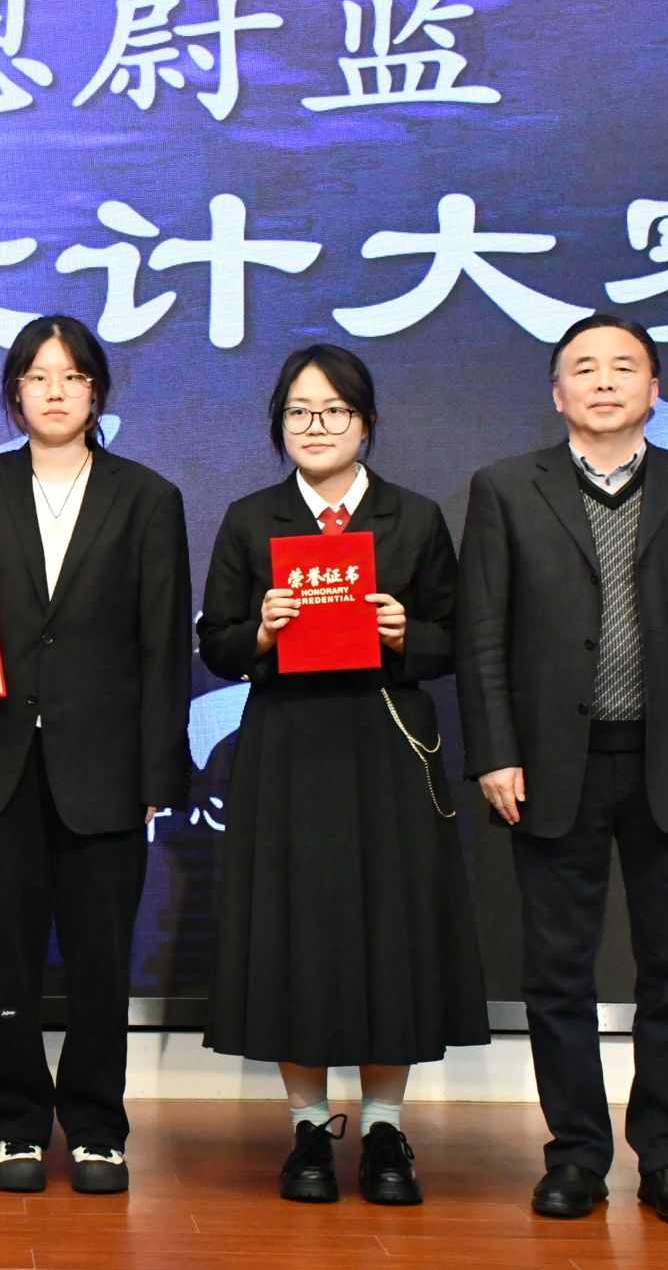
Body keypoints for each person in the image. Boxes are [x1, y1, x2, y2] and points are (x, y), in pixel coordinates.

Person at [456, 314, 668, 1229]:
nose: (603, 381)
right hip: (554, 766)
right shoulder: (505, 488)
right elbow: (482, 637)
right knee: (558, 973)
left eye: (623, 367)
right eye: (583, 368)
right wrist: (495, 749)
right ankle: (576, 1155)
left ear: (653, 390)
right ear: (557, 393)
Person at [197, 344, 489, 1206]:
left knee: (389, 927)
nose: (315, 426)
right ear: (279, 425)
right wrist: (261, 629)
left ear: (365, 422)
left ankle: (388, 1126)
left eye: (333, 410)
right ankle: (308, 1128)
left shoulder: (414, 516)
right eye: (298, 411)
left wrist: (406, 632)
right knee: (296, 928)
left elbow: (458, 637)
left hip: (386, 742)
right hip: (288, 745)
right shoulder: (252, 519)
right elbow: (216, 643)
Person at [0, 316, 190, 1195]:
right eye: (38, 376)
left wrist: (158, 771)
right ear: (14, 393)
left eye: (72, 375)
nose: (55, 390)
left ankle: (96, 1127)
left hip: (106, 768)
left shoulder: (147, 497)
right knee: (4, 957)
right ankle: (13, 1124)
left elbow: (164, 645)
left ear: (97, 393)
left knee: (98, 960)